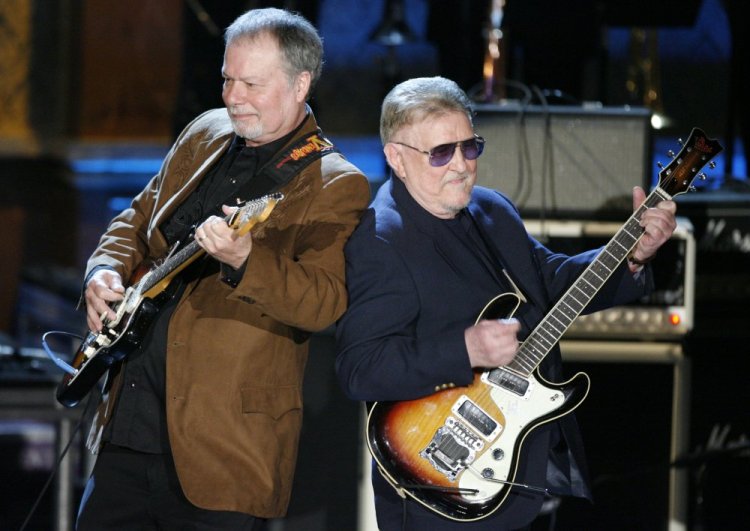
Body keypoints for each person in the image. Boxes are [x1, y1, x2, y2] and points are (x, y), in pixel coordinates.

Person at [335, 76, 677, 531]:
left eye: (469, 147)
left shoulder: (490, 209)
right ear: (397, 158)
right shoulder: (382, 239)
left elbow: (551, 281)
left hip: (521, 474)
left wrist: (633, 256)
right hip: (436, 491)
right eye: (440, 153)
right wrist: (465, 350)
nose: (461, 165)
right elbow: (359, 368)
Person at [75, 8, 370, 530]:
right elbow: (137, 218)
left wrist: (247, 260)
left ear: (300, 84)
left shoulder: (333, 182)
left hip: (223, 452)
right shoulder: (205, 131)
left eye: (252, 84)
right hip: (128, 429)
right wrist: (103, 271)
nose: (233, 97)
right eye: (228, 79)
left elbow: (324, 302)